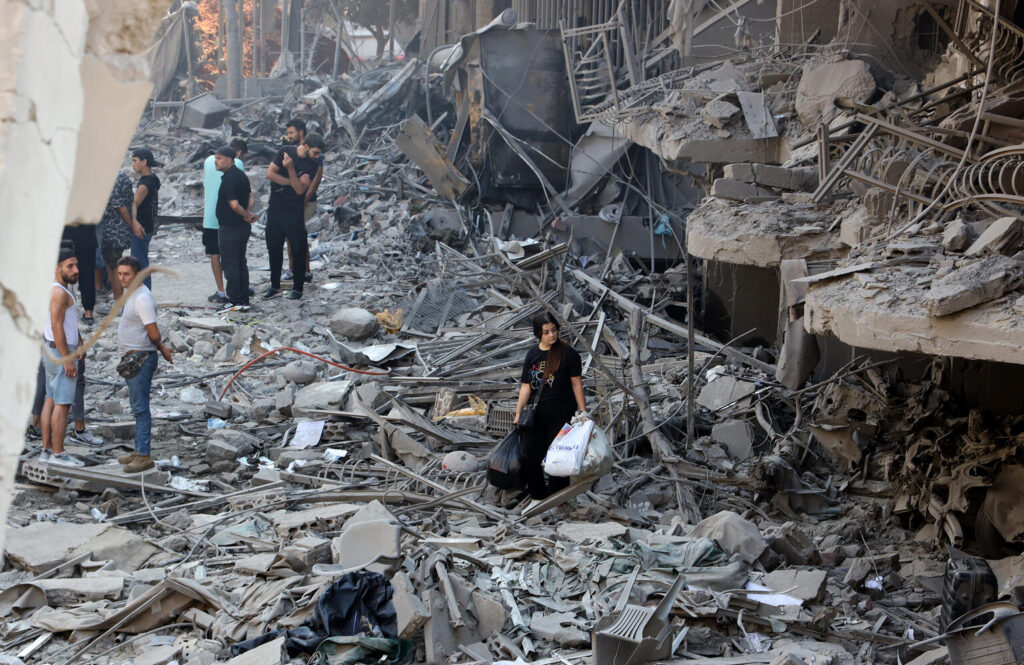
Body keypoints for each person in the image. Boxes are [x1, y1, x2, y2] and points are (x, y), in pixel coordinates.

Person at [513, 313, 587, 504]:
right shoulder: (533, 355)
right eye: (546, 332)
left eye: (553, 330)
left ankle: (557, 499)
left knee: (559, 456)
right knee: (530, 454)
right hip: (537, 412)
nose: (551, 335)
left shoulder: (568, 354)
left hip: (562, 411)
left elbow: (577, 384)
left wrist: (582, 412)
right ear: (538, 334)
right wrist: (518, 412)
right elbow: (526, 386)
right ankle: (537, 497)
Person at [115, 256, 173, 473]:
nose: (122, 278)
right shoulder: (131, 294)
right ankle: (139, 450)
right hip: (132, 358)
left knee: (140, 409)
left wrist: (164, 349)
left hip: (140, 359)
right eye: (120, 273)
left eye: (126, 274)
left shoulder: (142, 299)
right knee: (137, 407)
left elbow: (153, 333)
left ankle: (144, 455)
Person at [39, 243, 86, 467]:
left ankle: (46, 450)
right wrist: (68, 358)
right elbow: (57, 327)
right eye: (70, 266)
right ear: (58, 268)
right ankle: (58, 454)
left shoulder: (57, 288)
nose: (76, 270)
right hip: (60, 352)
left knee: (50, 399)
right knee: (63, 403)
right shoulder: (59, 292)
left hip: (52, 350)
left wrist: (80, 340)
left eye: (76, 265)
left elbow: (65, 324)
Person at [263, 133, 324, 300]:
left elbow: (299, 190)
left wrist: (289, 169)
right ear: (306, 147)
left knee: (297, 250)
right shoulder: (285, 151)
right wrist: (293, 179)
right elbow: (270, 174)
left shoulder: (311, 164)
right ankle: (274, 285)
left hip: (294, 210)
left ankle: (297, 289)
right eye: (315, 152)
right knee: (274, 249)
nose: (318, 157)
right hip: (276, 207)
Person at [202, 138, 247, 303]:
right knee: (236, 257)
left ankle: (221, 291)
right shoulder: (238, 164)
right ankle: (238, 290)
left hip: (210, 217)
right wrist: (247, 214)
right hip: (232, 218)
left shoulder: (208, 162)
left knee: (215, 253)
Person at [214, 146, 256, 310]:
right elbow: (251, 196)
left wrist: (245, 214)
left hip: (231, 227)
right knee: (240, 262)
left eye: (219, 158)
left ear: (229, 159)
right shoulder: (240, 175)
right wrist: (248, 213)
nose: (216, 162)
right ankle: (243, 299)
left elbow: (234, 204)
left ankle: (234, 300)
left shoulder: (230, 178)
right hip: (241, 227)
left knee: (230, 264)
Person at [285, 118, 319, 283]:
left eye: (291, 132)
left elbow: (315, 182)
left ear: (301, 132)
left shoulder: (314, 150)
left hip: (307, 201)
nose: (289, 136)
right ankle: (293, 268)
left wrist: (303, 200)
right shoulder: (291, 151)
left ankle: (304, 270)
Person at [98, 171, 135, 300]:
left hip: (114, 231)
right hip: (118, 230)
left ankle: (118, 301)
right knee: (112, 265)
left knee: (114, 268)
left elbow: (121, 208)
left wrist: (131, 225)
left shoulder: (113, 179)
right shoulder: (123, 176)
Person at [130, 148, 161, 290]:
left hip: (141, 228)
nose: (132, 164)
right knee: (142, 261)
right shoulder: (153, 179)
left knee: (139, 264)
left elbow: (133, 204)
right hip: (148, 226)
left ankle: (144, 294)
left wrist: (134, 222)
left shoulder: (144, 185)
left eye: (135, 161)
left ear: (144, 162)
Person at [61, 225, 97, 324]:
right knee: (87, 275)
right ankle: (88, 313)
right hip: (87, 237)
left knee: (64, 274)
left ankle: (63, 308)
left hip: (67, 237)